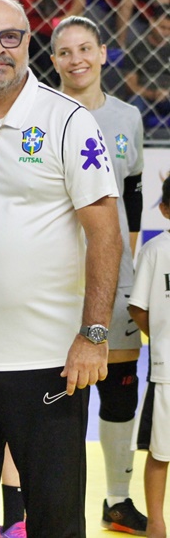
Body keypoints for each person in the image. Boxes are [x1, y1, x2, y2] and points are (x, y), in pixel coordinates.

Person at [0, 0, 122, 537]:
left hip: (48, 361)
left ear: (27, 43)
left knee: (56, 522)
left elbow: (105, 233)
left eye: (9, 37)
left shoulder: (69, 120)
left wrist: (94, 334)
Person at [51, 15, 148, 536]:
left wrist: (124, 262)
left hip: (115, 276)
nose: (77, 60)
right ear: (53, 61)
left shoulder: (128, 117)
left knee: (120, 386)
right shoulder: (43, 111)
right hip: (55, 276)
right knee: (59, 390)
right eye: (65, 52)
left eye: (85, 48)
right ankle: (54, 504)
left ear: (104, 52)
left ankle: (117, 500)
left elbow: (132, 193)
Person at [128, 176, 170, 538]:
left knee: (160, 452)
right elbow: (138, 307)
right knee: (160, 451)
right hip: (166, 372)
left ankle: (156, 522)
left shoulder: (154, 250)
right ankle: (156, 523)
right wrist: (160, 337)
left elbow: (138, 309)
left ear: (163, 208)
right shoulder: (156, 251)